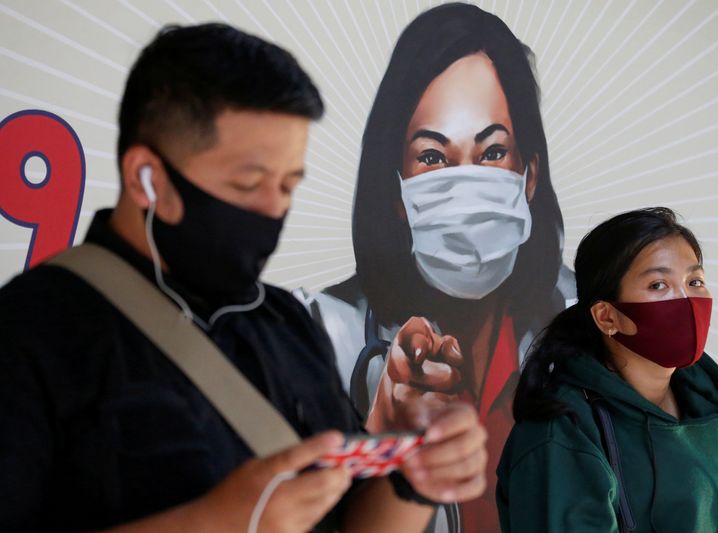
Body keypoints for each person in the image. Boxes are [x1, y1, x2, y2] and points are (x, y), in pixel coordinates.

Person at [0, 23, 488, 532]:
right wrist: (212, 523)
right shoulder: (28, 335)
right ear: (148, 178)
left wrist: (415, 478)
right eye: (249, 183)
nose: (273, 209)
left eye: (287, 185)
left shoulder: (289, 325)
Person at [295, 4, 573, 532]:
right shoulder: (321, 337)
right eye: (432, 158)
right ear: (397, 190)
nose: (465, 184)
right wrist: (380, 436)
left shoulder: (584, 320)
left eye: (492, 152)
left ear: (529, 176)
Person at [497, 207, 718, 532]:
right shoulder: (563, 435)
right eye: (658, 285)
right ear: (607, 317)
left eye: (694, 281)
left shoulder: (714, 407)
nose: (686, 299)